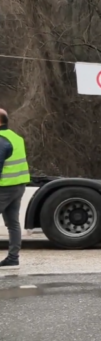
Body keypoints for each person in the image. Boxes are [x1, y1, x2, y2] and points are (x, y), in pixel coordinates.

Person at [0, 109, 30, 270]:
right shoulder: (15, 137)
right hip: (18, 185)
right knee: (13, 223)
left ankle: (12, 258)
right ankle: (13, 258)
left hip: (4, 188)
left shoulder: (1, 140)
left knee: (12, 223)